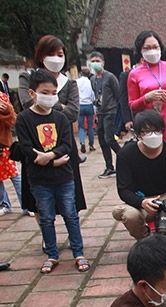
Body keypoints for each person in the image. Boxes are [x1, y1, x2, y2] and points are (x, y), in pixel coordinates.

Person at [15, 69, 89, 274]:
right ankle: (52, 254)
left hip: (64, 177)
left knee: (70, 214)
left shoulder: (61, 118)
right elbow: (27, 148)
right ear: (32, 93)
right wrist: (49, 162)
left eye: (53, 92)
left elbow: (67, 145)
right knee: (46, 217)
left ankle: (78, 252)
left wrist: (50, 156)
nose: (49, 96)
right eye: (44, 92)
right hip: (39, 179)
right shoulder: (23, 119)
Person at [19, 35, 87, 215]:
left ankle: (73, 233)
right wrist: (59, 106)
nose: (56, 58)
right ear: (41, 56)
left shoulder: (69, 83)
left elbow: (73, 113)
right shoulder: (27, 78)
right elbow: (27, 104)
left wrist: (47, 103)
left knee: (70, 195)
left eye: (60, 54)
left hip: (63, 144)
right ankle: (46, 235)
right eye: (51, 54)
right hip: (35, 146)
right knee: (38, 198)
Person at [112, 110, 166, 239]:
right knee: (129, 216)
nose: (152, 135)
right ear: (138, 134)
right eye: (146, 131)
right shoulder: (126, 154)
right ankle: (144, 238)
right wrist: (141, 202)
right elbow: (123, 190)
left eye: (157, 130)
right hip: (141, 199)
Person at [127, 31, 166, 155]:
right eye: (147, 48)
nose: (152, 50)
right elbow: (132, 105)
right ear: (140, 50)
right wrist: (146, 98)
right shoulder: (134, 74)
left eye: (155, 47)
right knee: (153, 157)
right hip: (149, 124)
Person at [89, 51, 121, 179]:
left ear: (103, 62)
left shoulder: (110, 77)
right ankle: (109, 166)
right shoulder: (92, 79)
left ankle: (123, 157)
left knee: (109, 139)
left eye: (97, 61)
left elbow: (117, 94)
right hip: (100, 112)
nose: (95, 63)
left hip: (110, 111)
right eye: (93, 61)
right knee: (102, 140)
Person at [76, 67, 96, 154]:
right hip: (89, 105)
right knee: (90, 126)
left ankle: (82, 142)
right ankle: (91, 144)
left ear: (81, 73)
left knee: (81, 127)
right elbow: (93, 95)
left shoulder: (77, 81)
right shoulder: (90, 82)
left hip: (80, 105)